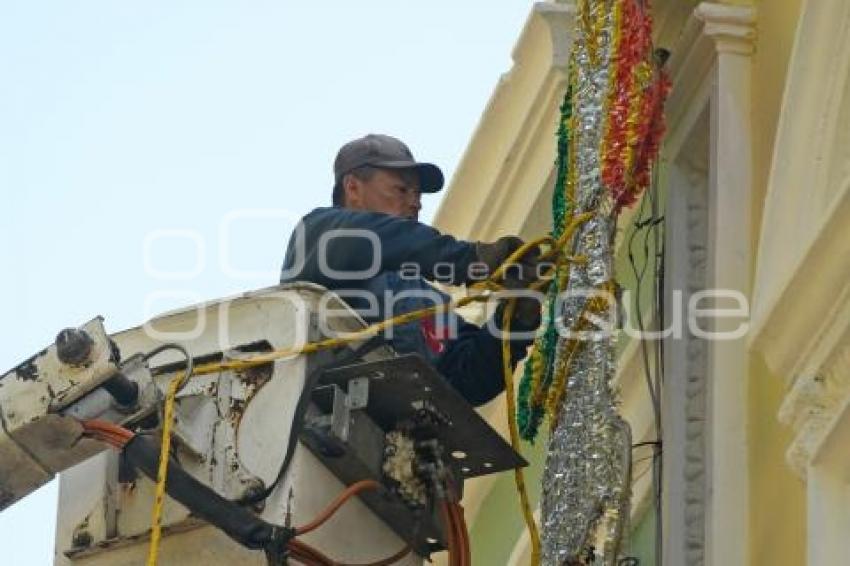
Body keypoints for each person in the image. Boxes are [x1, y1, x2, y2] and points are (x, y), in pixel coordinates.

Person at [281, 134, 541, 406]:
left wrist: (517, 316)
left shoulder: (424, 299)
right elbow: (382, 238)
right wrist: (471, 260)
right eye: (402, 190)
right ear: (353, 187)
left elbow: (467, 380)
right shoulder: (318, 236)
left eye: (417, 194)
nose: (415, 202)